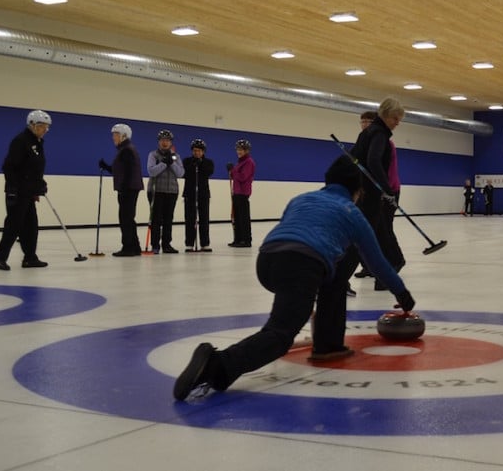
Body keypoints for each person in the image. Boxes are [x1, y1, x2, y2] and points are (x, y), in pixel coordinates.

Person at [172, 155, 416, 401]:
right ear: (356, 191)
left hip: (267, 260)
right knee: (280, 335)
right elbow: (377, 262)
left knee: (328, 281)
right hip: (301, 265)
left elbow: (293, 231)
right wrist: (403, 294)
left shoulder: (301, 199)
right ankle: (216, 365)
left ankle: (328, 344)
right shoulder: (352, 212)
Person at [349, 98, 406, 292]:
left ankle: (388, 269)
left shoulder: (366, 134)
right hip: (373, 194)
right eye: (396, 119)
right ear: (386, 116)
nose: (398, 123)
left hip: (366, 192)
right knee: (371, 234)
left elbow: (354, 156)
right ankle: (390, 265)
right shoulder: (380, 134)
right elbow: (373, 161)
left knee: (376, 232)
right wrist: (386, 189)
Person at [0, 110, 51, 271]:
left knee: (31, 226)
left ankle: (30, 257)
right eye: (42, 126)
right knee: (14, 225)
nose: (45, 130)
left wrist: (38, 186)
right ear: (32, 125)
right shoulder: (21, 141)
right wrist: (13, 189)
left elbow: (34, 169)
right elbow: (9, 167)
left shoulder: (37, 143)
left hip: (29, 193)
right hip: (17, 192)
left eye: (47, 127)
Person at [100, 123, 143, 257]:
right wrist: (106, 167)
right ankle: (135, 247)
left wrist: (123, 188)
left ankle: (128, 247)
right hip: (129, 188)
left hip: (128, 189)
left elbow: (129, 172)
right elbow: (119, 170)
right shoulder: (124, 149)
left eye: (116, 135)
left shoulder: (127, 150)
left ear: (124, 136)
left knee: (125, 218)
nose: (113, 137)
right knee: (129, 218)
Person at [353, 110, 382, 282]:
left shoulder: (380, 140)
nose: (364, 124)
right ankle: (366, 266)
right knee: (360, 231)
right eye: (362, 121)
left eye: (367, 121)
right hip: (361, 189)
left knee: (375, 232)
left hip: (375, 191)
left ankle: (379, 266)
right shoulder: (361, 138)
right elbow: (354, 156)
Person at [146, 129, 184, 254]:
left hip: (172, 191)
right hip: (156, 191)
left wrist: (171, 162)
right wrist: (163, 163)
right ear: (159, 142)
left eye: (167, 140)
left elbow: (180, 173)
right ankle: (155, 245)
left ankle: (167, 244)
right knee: (156, 219)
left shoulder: (176, 156)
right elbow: (151, 171)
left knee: (168, 219)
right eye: (162, 140)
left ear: (171, 142)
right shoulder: (153, 155)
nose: (165, 143)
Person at [182, 139, 215, 252]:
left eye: (199, 151)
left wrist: (200, 164)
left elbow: (209, 172)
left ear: (203, 151)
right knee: (190, 219)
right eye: (195, 151)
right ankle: (189, 243)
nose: (197, 153)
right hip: (190, 194)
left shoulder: (208, 162)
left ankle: (205, 243)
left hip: (203, 194)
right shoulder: (187, 161)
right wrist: (193, 165)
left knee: (204, 219)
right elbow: (184, 173)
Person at [227, 139, 255, 247]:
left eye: (242, 149)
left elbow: (243, 177)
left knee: (243, 217)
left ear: (247, 151)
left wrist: (233, 170)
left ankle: (246, 240)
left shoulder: (249, 162)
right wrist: (231, 171)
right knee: (237, 217)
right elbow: (235, 176)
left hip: (243, 193)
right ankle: (238, 239)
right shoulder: (240, 162)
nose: (239, 151)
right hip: (237, 192)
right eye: (238, 149)